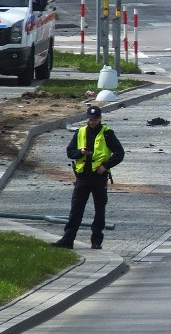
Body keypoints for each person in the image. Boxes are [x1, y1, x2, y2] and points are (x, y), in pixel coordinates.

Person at [52, 105, 124, 250]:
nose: (92, 122)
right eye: (90, 119)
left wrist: (105, 166)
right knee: (76, 209)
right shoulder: (80, 132)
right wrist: (80, 152)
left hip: (99, 177)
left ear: (100, 119)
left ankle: (96, 241)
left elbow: (119, 153)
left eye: (95, 119)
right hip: (83, 177)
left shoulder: (107, 133)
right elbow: (70, 152)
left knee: (99, 210)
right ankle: (68, 240)